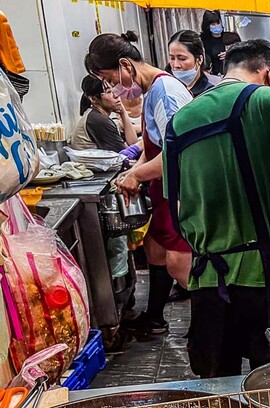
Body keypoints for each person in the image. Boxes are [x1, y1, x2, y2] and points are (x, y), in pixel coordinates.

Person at [163, 40, 270, 378]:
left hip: (208, 279)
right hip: (269, 277)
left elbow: (177, 200)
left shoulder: (180, 119)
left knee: (216, 392)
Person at [85, 31, 193, 336]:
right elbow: (152, 144)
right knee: (155, 251)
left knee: (180, 264)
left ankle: (209, 329)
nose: (113, 88)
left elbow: (177, 152)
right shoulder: (151, 90)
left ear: (125, 65)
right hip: (161, 189)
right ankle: (155, 318)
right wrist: (132, 167)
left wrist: (137, 175)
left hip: (179, 190)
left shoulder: (165, 91)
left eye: (110, 78)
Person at [70, 75, 138, 152]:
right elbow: (128, 153)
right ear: (94, 99)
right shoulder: (98, 120)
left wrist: (123, 112)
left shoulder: (97, 116)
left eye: (115, 89)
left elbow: (133, 144)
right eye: (109, 92)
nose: (116, 95)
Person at [168, 30, 220, 97]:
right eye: (172, 58)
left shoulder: (210, 93)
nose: (176, 65)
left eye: (182, 59)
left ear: (199, 60)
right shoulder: (169, 91)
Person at [201, 10, 240, 76]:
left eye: (218, 23)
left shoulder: (232, 37)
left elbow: (242, 55)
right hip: (213, 75)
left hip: (232, 73)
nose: (216, 26)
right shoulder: (203, 40)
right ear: (207, 26)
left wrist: (230, 54)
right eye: (213, 24)